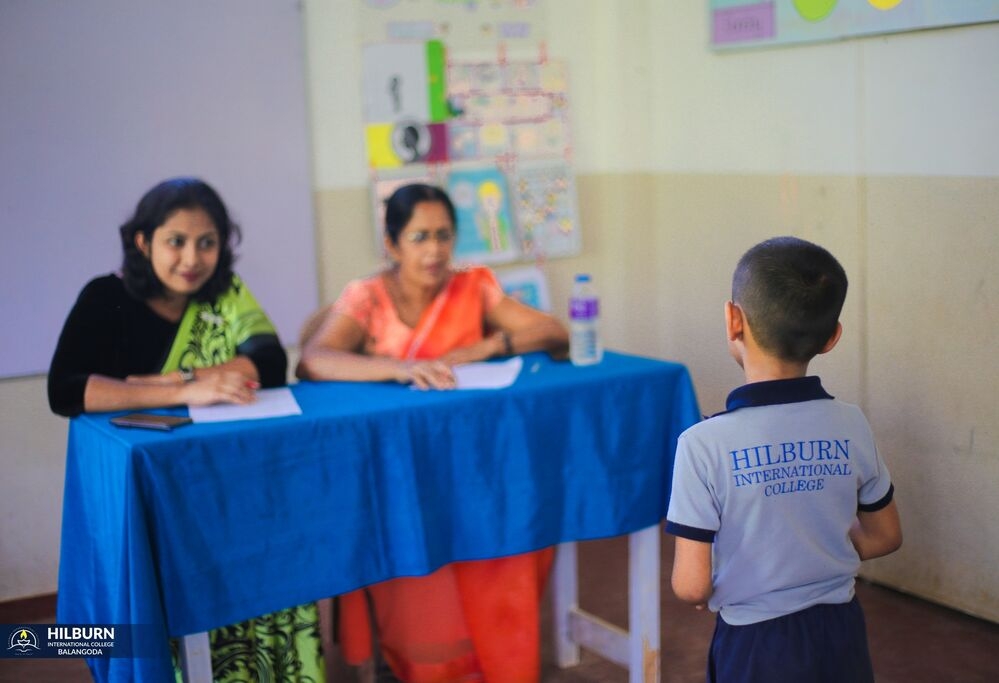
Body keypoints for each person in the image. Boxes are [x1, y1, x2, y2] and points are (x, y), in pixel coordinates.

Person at [48, 177, 324, 683]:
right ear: (143, 241)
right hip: (144, 497)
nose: (192, 259)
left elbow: (267, 361)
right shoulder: (104, 297)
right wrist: (184, 389)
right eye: (176, 241)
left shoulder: (227, 294)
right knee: (157, 616)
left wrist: (174, 378)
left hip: (226, 491)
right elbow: (67, 390)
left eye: (207, 242)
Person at [297, 183, 569, 682]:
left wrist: (491, 345)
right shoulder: (368, 297)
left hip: (471, 467)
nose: (435, 250)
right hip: (397, 473)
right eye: (420, 236)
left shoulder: (471, 288)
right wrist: (399, 367)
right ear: (393, 242)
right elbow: (315, 358)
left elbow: (553, 331)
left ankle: (493, 660)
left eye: (444, 235)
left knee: (514, 523)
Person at [665, 236, 903, 683]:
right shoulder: (851, 424)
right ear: (832, 336)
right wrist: (816, 549)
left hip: (755, 645)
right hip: (841, 632)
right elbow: (886, 535)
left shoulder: (702, 444)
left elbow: (691, 585)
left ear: (733, 320)